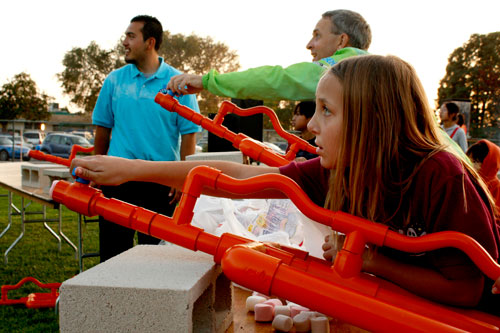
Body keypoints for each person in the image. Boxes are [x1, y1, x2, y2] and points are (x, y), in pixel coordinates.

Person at [71, 55, 498, 312]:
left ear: (373, 120)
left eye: (326, 111)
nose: (311, 126)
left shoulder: (441, 173)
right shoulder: (341, 168)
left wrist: (371, 261)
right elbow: (237, 178)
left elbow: (466, 288)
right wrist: (130, 169)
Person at [91, 15, 201, 262]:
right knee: (112, 256)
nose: (125, 42)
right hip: (117, 180)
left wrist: (183, 178)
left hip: (160, 182)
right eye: (125, 36)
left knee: (158, 260)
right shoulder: (114, 81)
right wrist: (95, 168)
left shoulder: (179, 83)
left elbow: (188, 136)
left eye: (131, 36)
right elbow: (103, 130)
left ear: (150, 42)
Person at [166, 10, 371, 101]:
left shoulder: (346, 69)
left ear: (342, 41)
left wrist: (207, 81)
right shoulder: (372, 72)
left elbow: (278, 80)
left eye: (317, 36)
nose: (309, 45)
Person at [466, 139, 500, 211]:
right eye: (469, 160)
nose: (471, 165)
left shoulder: (496, 186)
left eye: (476, 162)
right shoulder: (466, 180)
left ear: (489, 163)